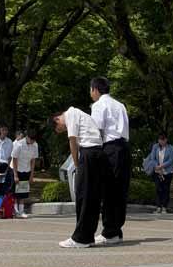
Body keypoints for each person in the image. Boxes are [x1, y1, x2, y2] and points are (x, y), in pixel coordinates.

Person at [52, 106, 105, 248]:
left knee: (83, 195)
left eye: (61, 129)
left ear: (57, 119)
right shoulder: (80, 114)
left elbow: (73, 142)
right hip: (97, 153)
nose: (64, 130)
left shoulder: (71, 114)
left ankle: (81, 238)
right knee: (92, 196)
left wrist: (76, 164)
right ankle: (88, 236)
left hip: (88, 154)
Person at [90, 77, 130, 245]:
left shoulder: (99, 105)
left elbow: (97, 130)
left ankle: (109, 232)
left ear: (95, 89)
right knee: (120, 190)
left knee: (109, 190)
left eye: (90, 89)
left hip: (110, 148)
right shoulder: (120, 105)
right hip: (124, 148)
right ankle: (116, 230)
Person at [10, 129, 39, 218]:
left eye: (34, 140)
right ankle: (15, 210)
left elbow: (33, 160)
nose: (33, 141)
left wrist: (31, 175)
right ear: (27, 137)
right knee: (15, 192)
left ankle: (21, 211)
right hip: (16, 169)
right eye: (31, 139)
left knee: (23, 191)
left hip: (26, 169)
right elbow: (14, 159)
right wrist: (15, 175)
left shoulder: (35, 145)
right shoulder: (19, 144)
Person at [143, 132, 173, 213]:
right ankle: (158, 207)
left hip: (168, 171)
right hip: (157, 171)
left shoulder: (170, 148)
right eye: (160, 139)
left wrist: (162, 166)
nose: (161, 141)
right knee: (158, 189)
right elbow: (153, 158)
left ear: (166, 140)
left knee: (166, 189)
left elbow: (170, 160)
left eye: (163, 139)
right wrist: (157, 166)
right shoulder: (155, 147)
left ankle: (164, 207)